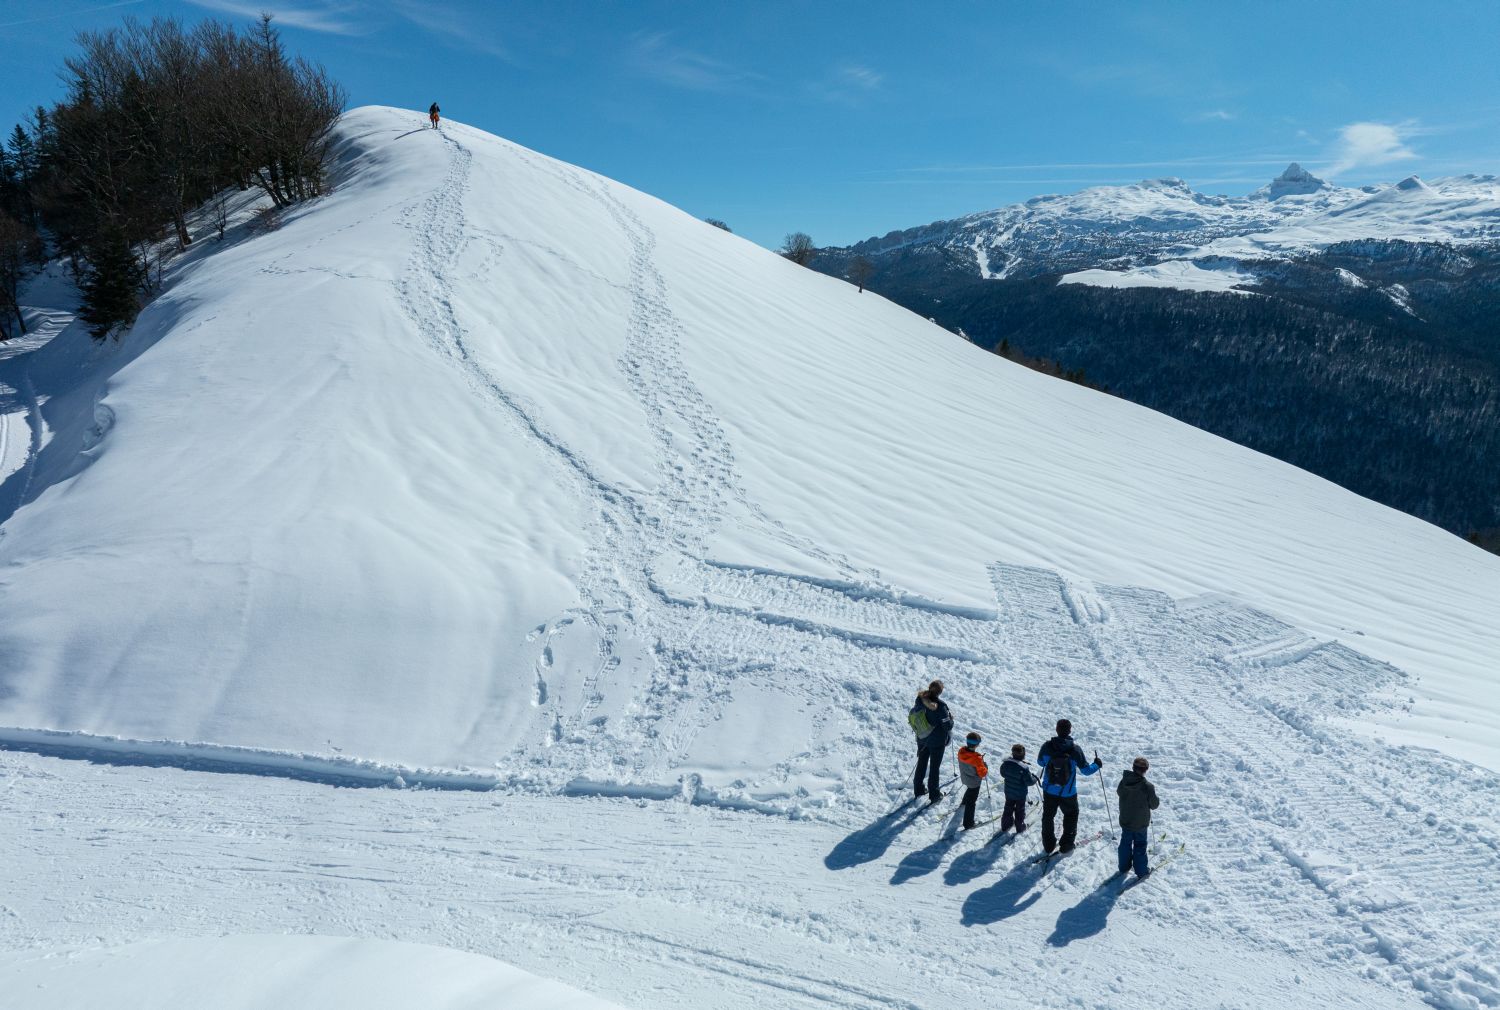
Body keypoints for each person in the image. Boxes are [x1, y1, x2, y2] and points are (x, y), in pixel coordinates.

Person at [1037, 718, 1102, 854]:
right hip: (1068, 792)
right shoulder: (1075, 749)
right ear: (1069, 730)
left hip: (1049, 790)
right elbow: (1085, 771)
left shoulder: (1047, 746)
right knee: (1071, 815)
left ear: (1056, 729)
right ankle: (1066, 844)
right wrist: (1097, 764)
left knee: (1048, 816)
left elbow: (1040, 763)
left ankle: (1048, 845)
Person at [908, 680, 953, 803]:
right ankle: (934, 795)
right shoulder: (941, 707)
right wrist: (951, 719)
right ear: (940, 692)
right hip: (936, 742)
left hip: (922, 738)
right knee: (934, 768)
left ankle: (919, 790)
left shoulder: (920, 698)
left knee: (921, 763)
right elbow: (947, 726)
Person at [1116, 756, 1160, 878]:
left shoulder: (1124, 781)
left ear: (1133, 768)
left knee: (1125, 843)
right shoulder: (1147, 786)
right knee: (1140, 845)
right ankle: (1141, 871)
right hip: (1140, 823)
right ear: (1145, 770)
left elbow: (1119, 792)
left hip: (1126, 820)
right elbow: (1154, 805)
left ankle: (1123, 866)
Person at [998, 743, 1040, 834]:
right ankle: (1020, 827)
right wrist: (1035, 778)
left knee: (1008, 807)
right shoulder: (1024, 768)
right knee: (1020, 810)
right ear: (1023, 755)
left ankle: (1006, 825)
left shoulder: (1006, 763)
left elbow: (1002, 773)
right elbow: (1029, 782)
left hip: (1008, 791)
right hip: (1020, 794)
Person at [956, 732, 988, 829]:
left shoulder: (961, 751)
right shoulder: (977, 759)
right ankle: (968, 823)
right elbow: (983, 773)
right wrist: (985, 766)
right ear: (977, 744)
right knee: (972, 802)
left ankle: (964, 802)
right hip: (974, 782)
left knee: (969, 790)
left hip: (965, 778)